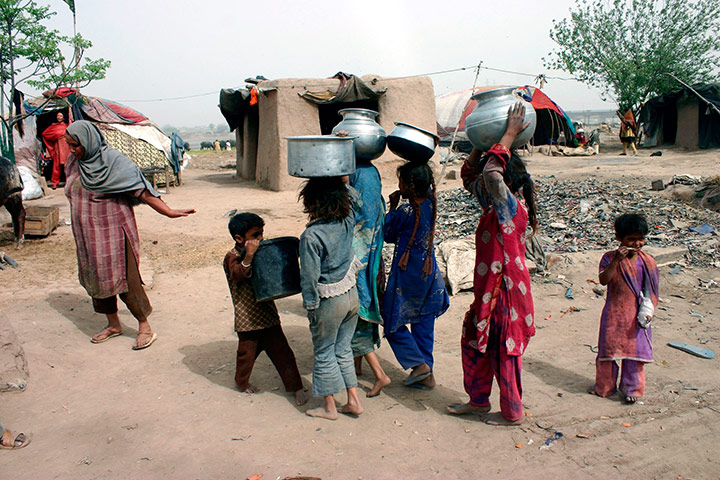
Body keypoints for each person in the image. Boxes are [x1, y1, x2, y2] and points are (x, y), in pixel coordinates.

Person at [64, 120, 195, 350]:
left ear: (89, 141)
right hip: (87, 235)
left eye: (75, 145)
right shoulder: (75, 162)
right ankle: (113, 324)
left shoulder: (113, 162)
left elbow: (141, 190)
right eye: (70, 145)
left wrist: (168, 211)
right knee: (97, 277)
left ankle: (144, 326)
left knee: (127, 279)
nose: (72, 150)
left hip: (113, 232)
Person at [448, 103, 537, 426]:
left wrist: (510, 134)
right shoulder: (492, 204)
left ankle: (513, 413)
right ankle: (478, 400)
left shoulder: (510, 208)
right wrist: (480, 140)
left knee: (505, 353)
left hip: (506, 297)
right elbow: (471, 175)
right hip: (488, 293)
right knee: (475, 343)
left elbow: (489, 174)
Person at [223, 212, 307, 405]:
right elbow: (237, 274)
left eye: (261, 234)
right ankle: (242, 382)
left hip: (267, 314)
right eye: (255, 235)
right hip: (248, 318)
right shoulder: (232, 257)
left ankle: (296, 387)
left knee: (283, 352)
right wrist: (249, 256)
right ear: (239, 238)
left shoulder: (260, 251)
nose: (260, 239)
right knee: (246, 355)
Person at [299, 177, 363, 420]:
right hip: (351, 294)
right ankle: (353, 401)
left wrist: (311, 305)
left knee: (324, 351)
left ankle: (329, 407)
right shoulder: (347, 220)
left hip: (329, 300)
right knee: (343, 349)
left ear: (312, 202)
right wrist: (342, 179)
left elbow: (310, 276)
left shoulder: (312, 236)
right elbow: (355, 199)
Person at [382, 162, 449, 391]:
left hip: (406, 274)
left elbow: (388, 235)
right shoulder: (431, 202)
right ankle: (426, 376)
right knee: (423, 323)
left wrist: (392, 207)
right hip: (429, 275)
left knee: (391, 320)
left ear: (407, 187)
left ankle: (417, 364)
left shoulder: (405, 211)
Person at [590, 213, 658, 404]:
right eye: (631, 239)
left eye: (641, 239)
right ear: (619, 238)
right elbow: (604, 280)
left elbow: (652, 291)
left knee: (634, 354)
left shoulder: (648, 262)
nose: (637, 244)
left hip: (636, 315)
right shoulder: (609, 258)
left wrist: (647, 311)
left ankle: (632, 389)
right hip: (614, 312)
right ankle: (604, 387)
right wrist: (616, 262)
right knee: (608, 351)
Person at [348, 158, 391, 398]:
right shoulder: (377, 203)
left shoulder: (359, 226)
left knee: (355, 317)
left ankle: (379, 374)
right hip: (373, 266)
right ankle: (357, 365)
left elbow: (357, 208)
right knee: (360, 316)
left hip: (360, 267)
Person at [41, 111, 70, 189]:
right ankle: (55, 183)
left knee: (68, 166)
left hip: (67, 148)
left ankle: (69, 182)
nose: (58, 117)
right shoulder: (54, 126)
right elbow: (45, 134)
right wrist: (54, 140)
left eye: (60, 116)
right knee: (56, 166)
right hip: (58, 147)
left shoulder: (68, 126)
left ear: (64, 117)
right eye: (57, 116)